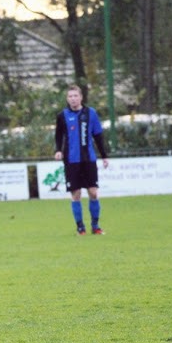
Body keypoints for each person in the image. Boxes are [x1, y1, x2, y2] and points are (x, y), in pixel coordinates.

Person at [54, 84, 110, 235]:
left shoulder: (91, 113)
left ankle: (95, 226)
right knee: (76, 194)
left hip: (89, 160)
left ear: (81, 97)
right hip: (71, 161)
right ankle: (80, 227)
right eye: (70, 96)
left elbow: (98, 136)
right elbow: (58, 135)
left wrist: (104, 156)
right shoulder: (62, 115)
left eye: (75, 96)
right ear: (67, 99)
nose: (73, 99)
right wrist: (58, 150)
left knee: (93, 193)